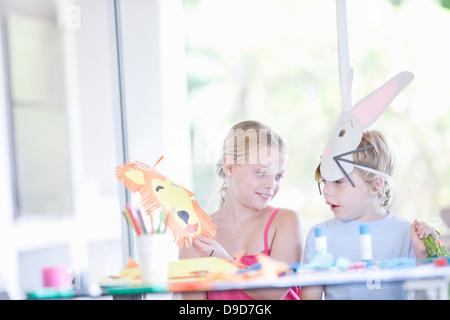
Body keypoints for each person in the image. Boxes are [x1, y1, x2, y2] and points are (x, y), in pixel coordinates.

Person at [301, 130, 439, 300]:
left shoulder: (408, 235)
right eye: (324, 181)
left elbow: (424, 296)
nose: (326, 191)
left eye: (338, 181)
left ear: (375, 185)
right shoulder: (319, 236)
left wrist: (422, 256)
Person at [178, 120, 304, 300]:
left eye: (279, 176)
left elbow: (273, 293)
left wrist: (225, 262)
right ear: (229, 167)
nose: (271, 184)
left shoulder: (285, 222)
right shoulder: (196, 235)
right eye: (261, 172)